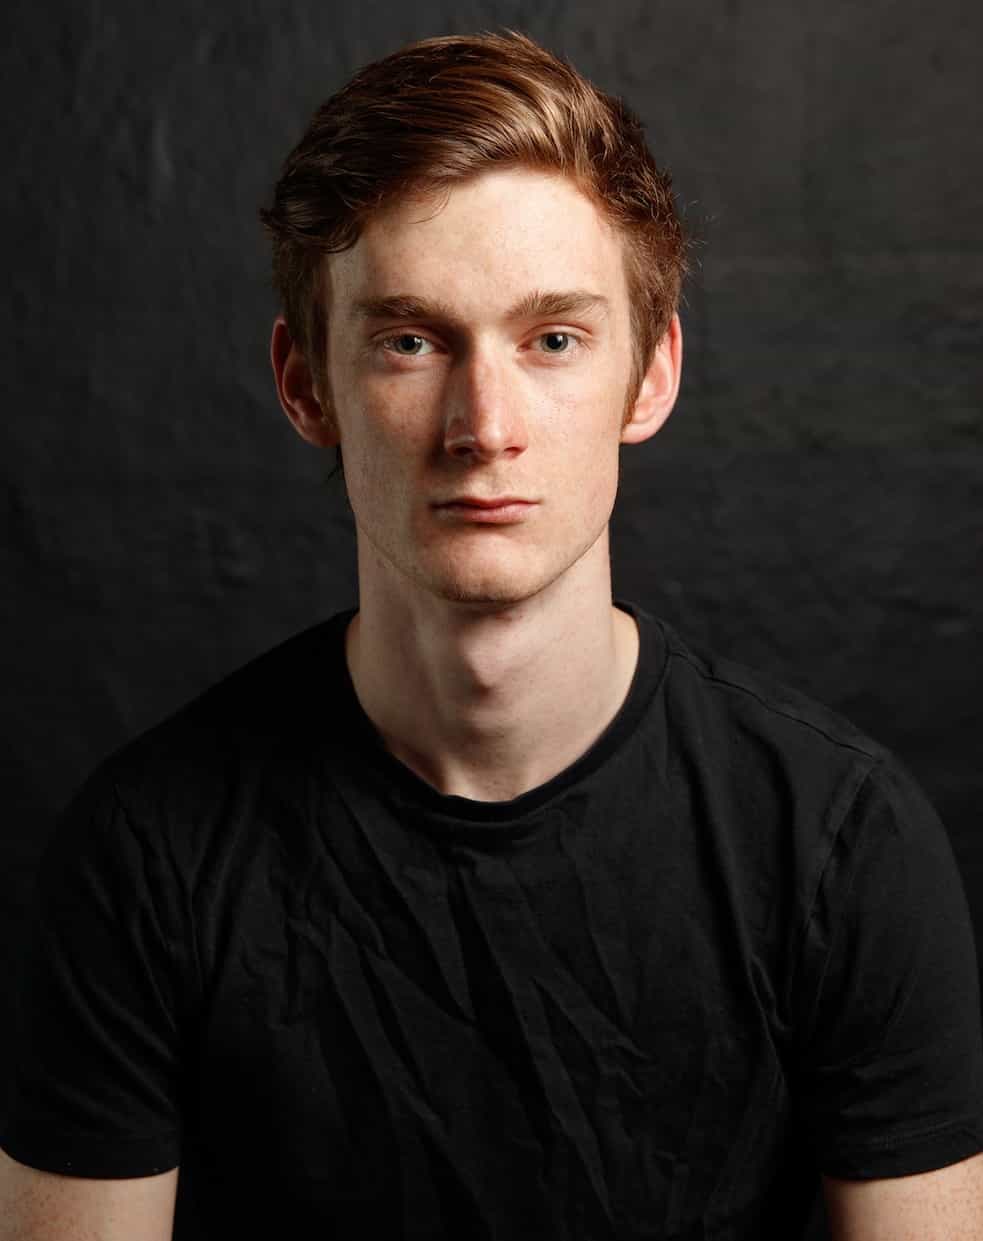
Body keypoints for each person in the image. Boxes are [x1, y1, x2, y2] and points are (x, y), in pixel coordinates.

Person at [2, 28, 982, 1241]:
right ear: (305, 383)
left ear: (650, 374)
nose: (483, 424)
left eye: (552, 338)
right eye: (410, 340)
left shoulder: (838, 843)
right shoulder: (145, 852)